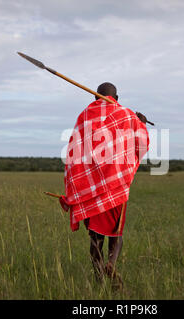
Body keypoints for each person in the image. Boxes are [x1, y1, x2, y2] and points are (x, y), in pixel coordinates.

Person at [59, 82, 149, 288]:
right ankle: (111, 263)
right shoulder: (126, 115)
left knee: (96, 236)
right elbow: (142, 145)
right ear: (116, 98)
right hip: (117, 185)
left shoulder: (84, 116)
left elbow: (74, 152)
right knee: (116, 233)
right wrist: (141, 123)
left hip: (91, 189)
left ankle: (99, 279)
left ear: (94, 97)